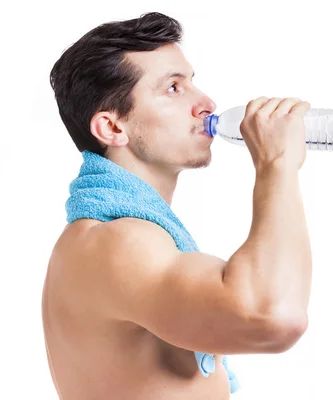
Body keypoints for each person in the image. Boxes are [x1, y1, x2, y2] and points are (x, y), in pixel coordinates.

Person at [42, 12, 312, 400]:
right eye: (172, 88)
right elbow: (275, 314)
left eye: (191, 82)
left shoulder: (108, 237)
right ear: (113, 128)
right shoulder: (117, 242)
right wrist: (276, 165)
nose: (206, 103)